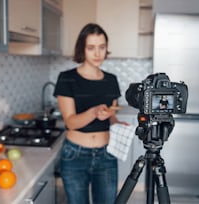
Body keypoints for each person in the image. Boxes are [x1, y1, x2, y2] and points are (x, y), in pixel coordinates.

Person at [53, 23, 127, 204]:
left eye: (102, 47)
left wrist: (117, 123)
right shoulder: (67, 78)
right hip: (75, 155)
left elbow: (111, 115)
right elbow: (70, 122)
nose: (97, 54)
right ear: (82, 49)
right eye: (91, 48)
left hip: (106, 155)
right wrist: (93, 112)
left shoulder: (111, 80)